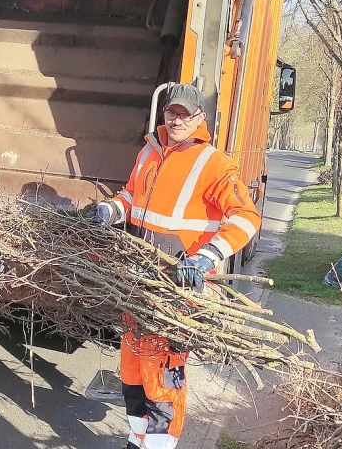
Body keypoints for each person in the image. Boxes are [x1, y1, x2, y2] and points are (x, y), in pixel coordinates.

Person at [86, 83, 262, 449]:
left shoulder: (212, 162)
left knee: (162, 376)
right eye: (172, 112)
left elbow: (247, 217)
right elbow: (132, 196)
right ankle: (137, 440)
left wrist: (205, 258)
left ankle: (158, 445)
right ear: (164, 113)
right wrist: (110, 209)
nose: (177, 119)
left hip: (178, 289)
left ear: (200, 117)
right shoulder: (150, 152)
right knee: (133, 370)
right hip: (140, 280)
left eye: (185, 113)